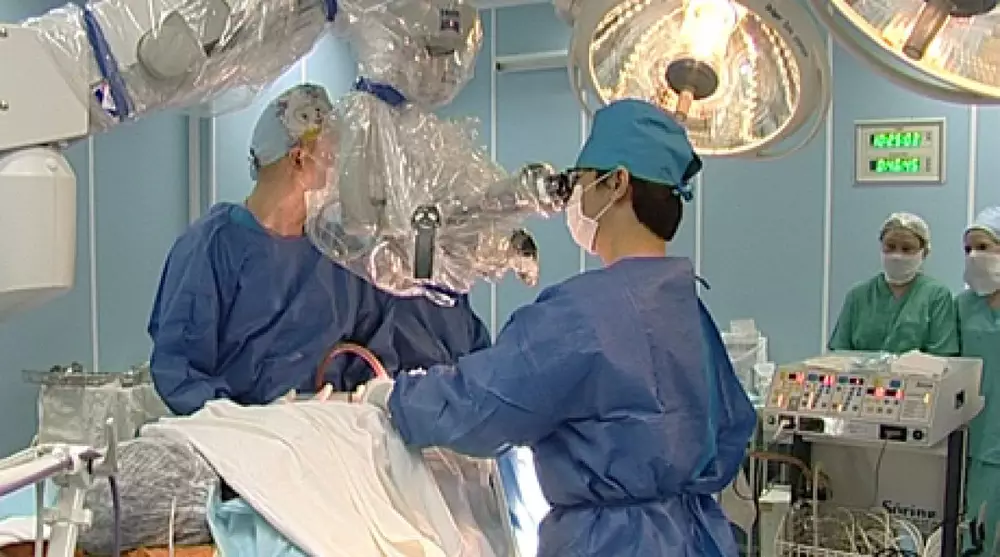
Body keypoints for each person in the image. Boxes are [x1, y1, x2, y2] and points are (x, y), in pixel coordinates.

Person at [360, 99, 757, 556]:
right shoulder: (688, 310)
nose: (573, 197)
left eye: (582, 180)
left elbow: (484, 403)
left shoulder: (585, 314)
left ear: (617, 183)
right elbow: (733, 426)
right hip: (698, 539)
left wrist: (396, 398)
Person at [148, 83, 491, 415]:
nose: (339, 175)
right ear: (299, 159)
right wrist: (245, 424)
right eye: (332, 159)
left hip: (324, 429)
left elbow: (386, 344)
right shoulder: (213, 246)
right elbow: (180, 370)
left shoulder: (339, 251)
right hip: (238, 439)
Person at [828, 212, 959, 356]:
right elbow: (840, 353)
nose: (897, 255)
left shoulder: (937, 296)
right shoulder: (858, 296)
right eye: (890, 247)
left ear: (924, 252)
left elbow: (942, 355)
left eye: (907, 249)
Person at [957, 207, 1000, 554]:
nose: (974, 256)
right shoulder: (962, 306)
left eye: (983, 247)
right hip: (977, 435)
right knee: (976, 530)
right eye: (968, 248)